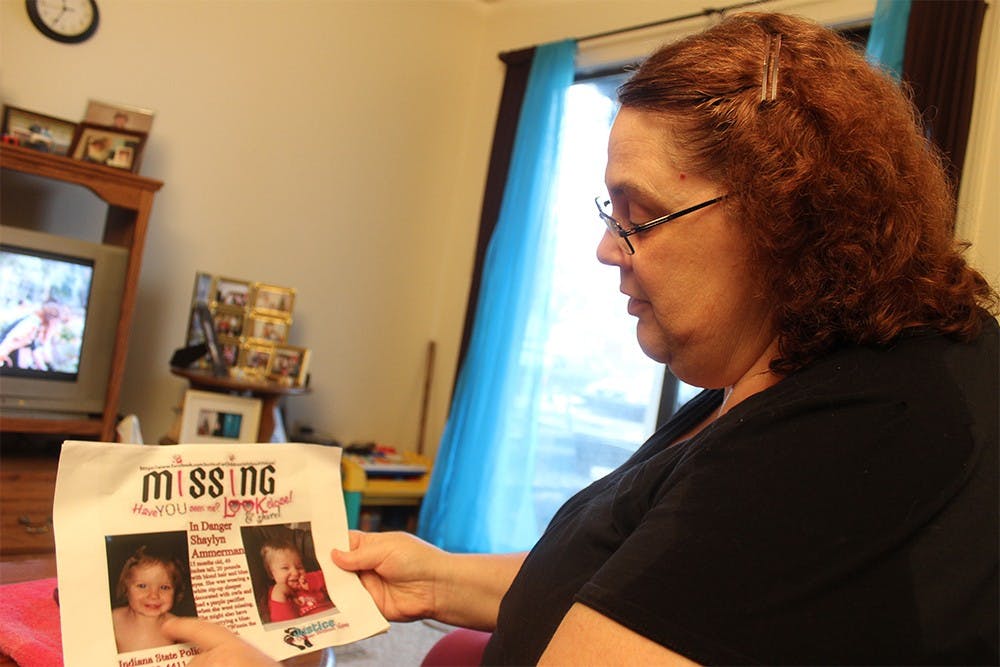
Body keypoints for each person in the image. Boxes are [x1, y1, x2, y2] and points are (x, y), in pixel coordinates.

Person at [162, 11, 998, 665]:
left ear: (786, 214)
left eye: (639, 216)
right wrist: (438, 575)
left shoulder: (849, 440)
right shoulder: (799, 366)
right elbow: (656, 582)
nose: (607, 248)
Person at [111, 546, 186, 653]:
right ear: (126, 588)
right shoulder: (113, 620)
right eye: (142, 586)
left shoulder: (179, 628)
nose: (154, 596)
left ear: (176, 591)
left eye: (164, 587)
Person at [259, 539, 335, 622]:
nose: (295, 572)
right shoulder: (275, 594)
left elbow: (332, 578)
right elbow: (285, 623)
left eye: (299, 567)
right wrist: (280, 594)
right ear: (271, 573)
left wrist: (311, 580)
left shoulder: (310, 581)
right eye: (285, 568)